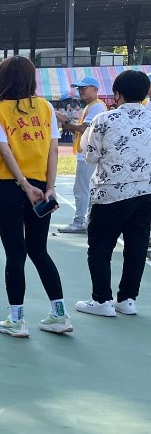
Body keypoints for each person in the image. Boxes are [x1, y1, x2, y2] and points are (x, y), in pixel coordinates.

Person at [0, 55, 70, 337]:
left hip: (10, 187)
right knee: (39, 250)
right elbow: (53, 149)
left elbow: (5, 150)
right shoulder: (45, 107)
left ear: (5, 80)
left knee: (15, 253)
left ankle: (17, 319)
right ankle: (60, 314)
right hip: (41, 186)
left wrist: (23, 184)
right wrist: (49, 187)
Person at [75, 70, 151, 317]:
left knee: (100, 246)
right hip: (145, 192)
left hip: (110, 192)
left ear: (117, 94)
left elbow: (90, 155)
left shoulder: (105, 119)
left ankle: (101, 300)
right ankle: (127, 299)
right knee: (137, 246)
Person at [58, 76, 108, 234]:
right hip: (88, 153)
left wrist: (66, 121)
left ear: (95, 90)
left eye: (84, 88)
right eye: (79, 89)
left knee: (81, 190)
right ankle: (87, 221)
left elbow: (84, 129)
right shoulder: (92, 106)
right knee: (87, 189)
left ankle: (80, 221)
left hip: (88, 155)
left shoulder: (97, 106)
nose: (80, 91)